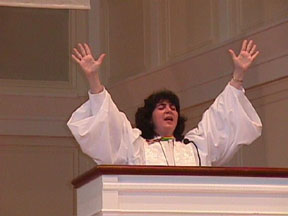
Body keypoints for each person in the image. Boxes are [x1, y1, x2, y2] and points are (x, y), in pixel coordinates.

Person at [67, 40, 262, 166]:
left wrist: (238, 76)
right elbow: (109, 125)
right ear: (150, 118)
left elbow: (222, 119)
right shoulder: (136, 148)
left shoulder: (195, 147)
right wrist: (93, 79)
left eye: (173, 107)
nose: (169, 110)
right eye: (161, 107)